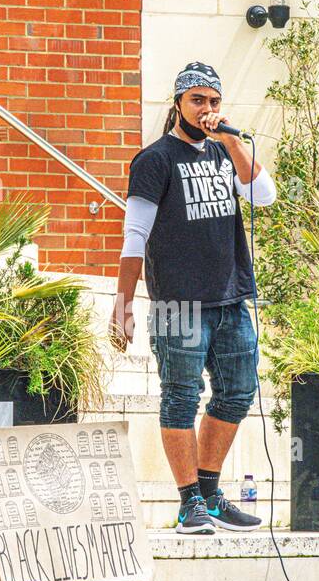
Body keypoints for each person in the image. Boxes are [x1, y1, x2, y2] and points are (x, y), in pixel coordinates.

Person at [109, 62, 278, 535]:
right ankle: (188, 505)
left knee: (239, 392)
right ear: (178, 104)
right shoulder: (155, 160)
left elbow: (264, 196)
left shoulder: (226, 153)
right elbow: (135, 234)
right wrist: (122, 305)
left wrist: (231, 142)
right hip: (177, 303)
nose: (207, 109)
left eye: (213, 101)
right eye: (198, 100)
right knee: (181, 399)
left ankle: (209, 493)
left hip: (230, 298)